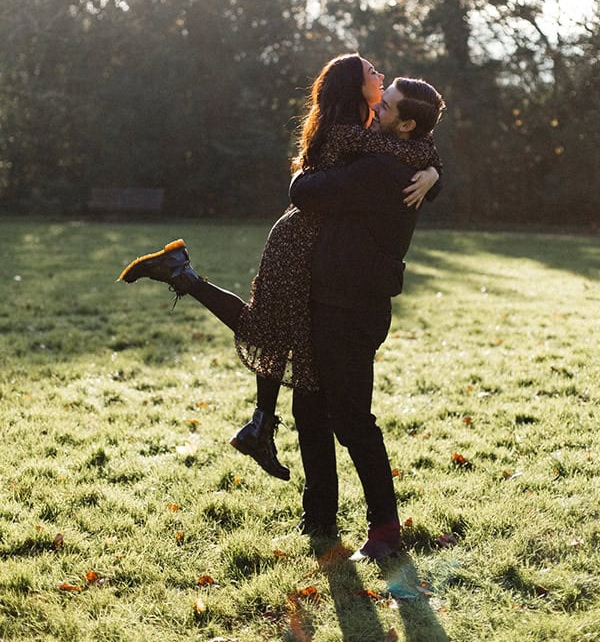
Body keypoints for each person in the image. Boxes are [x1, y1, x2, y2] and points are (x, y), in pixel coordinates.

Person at [118, 55, 441, 482]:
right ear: (356, 88)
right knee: (268, 328)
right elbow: (407, 151)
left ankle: (260, 423)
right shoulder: (352, 133)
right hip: (299, 240)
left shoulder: (363, 129)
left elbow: (413, 147)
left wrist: (436, 172)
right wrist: (434, 168)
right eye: (372, 74)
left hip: (312, 241)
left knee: (276, 330)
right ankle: (187, 281)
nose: (380, 77)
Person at [289, 77, 446, 560]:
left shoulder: (379, 169)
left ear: (408, 124)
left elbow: (304, 190)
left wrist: (436, 171)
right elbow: (427, 152)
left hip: (351, 308)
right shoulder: (406, 158)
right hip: (332, 298)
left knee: (353, 420)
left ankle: (384, 533)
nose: (378, 107)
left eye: (389, 106)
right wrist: (438, 170)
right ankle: (319, 519)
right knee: (310, 409)